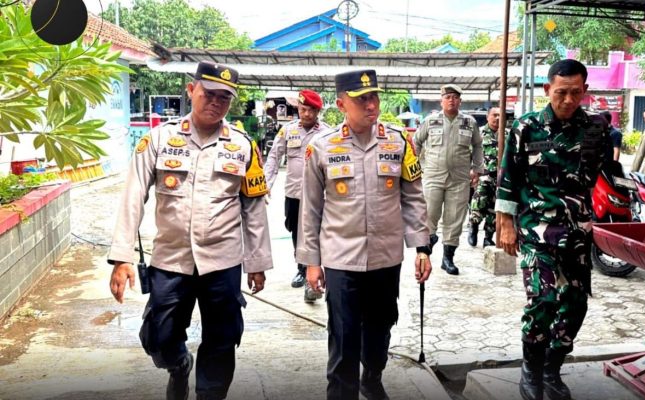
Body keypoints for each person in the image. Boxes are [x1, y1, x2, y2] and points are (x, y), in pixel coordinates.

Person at [108, 61, 272, 400]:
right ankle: (178, 364)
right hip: (171, 259)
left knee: (222, 339)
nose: (215, 103)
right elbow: (133, 196)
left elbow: (254, 208)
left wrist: (257, 261)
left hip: (222, 262)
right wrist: (121, 257)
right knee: (159, 338)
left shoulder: (243, 146)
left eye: (224, 98)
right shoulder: (159, 139)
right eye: (209, 94)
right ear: (191, 90)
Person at [297, 69, 433, 400]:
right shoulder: (322, 148)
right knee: (343, 335)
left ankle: (372, 377)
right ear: (342, 104)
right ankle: (341, 392)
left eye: (374, 97)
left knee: (380, 327)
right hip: (341, 258)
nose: (371, 105)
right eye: (361, 100)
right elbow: (310, 210)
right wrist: (311, 263)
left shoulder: (398, 141)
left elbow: (413, 197)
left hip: (386, 258)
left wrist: (422, 248)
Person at [496, 59, 609, 400]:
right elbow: (509, 176)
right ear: (547, 90)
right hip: (535, 230)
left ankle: (552, 369)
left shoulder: (595, 129)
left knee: (575, 305)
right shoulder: (527, 127)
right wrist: (505, 224)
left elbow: (595, 176)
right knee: (542, 300)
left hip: (575, 233)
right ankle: (530, 371)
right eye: (561, 92)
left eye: (576, 92)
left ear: (585, 91)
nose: (568, 99)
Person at [264, 89, 329, 302]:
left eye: (311, 110)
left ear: (317, 111)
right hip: (293, 192)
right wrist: (265, 186)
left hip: (318, 195)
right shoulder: (287, 131)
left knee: (315, 232)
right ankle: (301, 267)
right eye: (303, 109)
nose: (306, 113)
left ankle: (315, 269)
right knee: (294, 230)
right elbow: (274, 157)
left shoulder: (326, 134)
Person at [413, 84, 484, 275]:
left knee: (454, 219)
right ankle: (425, 251)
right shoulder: (430, 121)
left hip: (459, 179)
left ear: (460, 101)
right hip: (433, 176)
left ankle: (448, 258)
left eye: (455, 97)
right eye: (448, 97)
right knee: (429, 215)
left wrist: (477, 169)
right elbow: (416, 143)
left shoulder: (469, 122)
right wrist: (416, 168)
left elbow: (477, 146)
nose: (451, 100)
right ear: (441, 100)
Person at [468, 106, 501, 248]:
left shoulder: (507, 134)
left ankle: (488, 237)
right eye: (494, 115)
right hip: (483, 176)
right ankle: (473, 228)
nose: (498, 118)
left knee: (495, 208)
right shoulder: (479, 133)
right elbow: (468, 153)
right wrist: (470, 171)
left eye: (500, 115)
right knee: (478, 203)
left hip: (500, 178)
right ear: (488, 117)